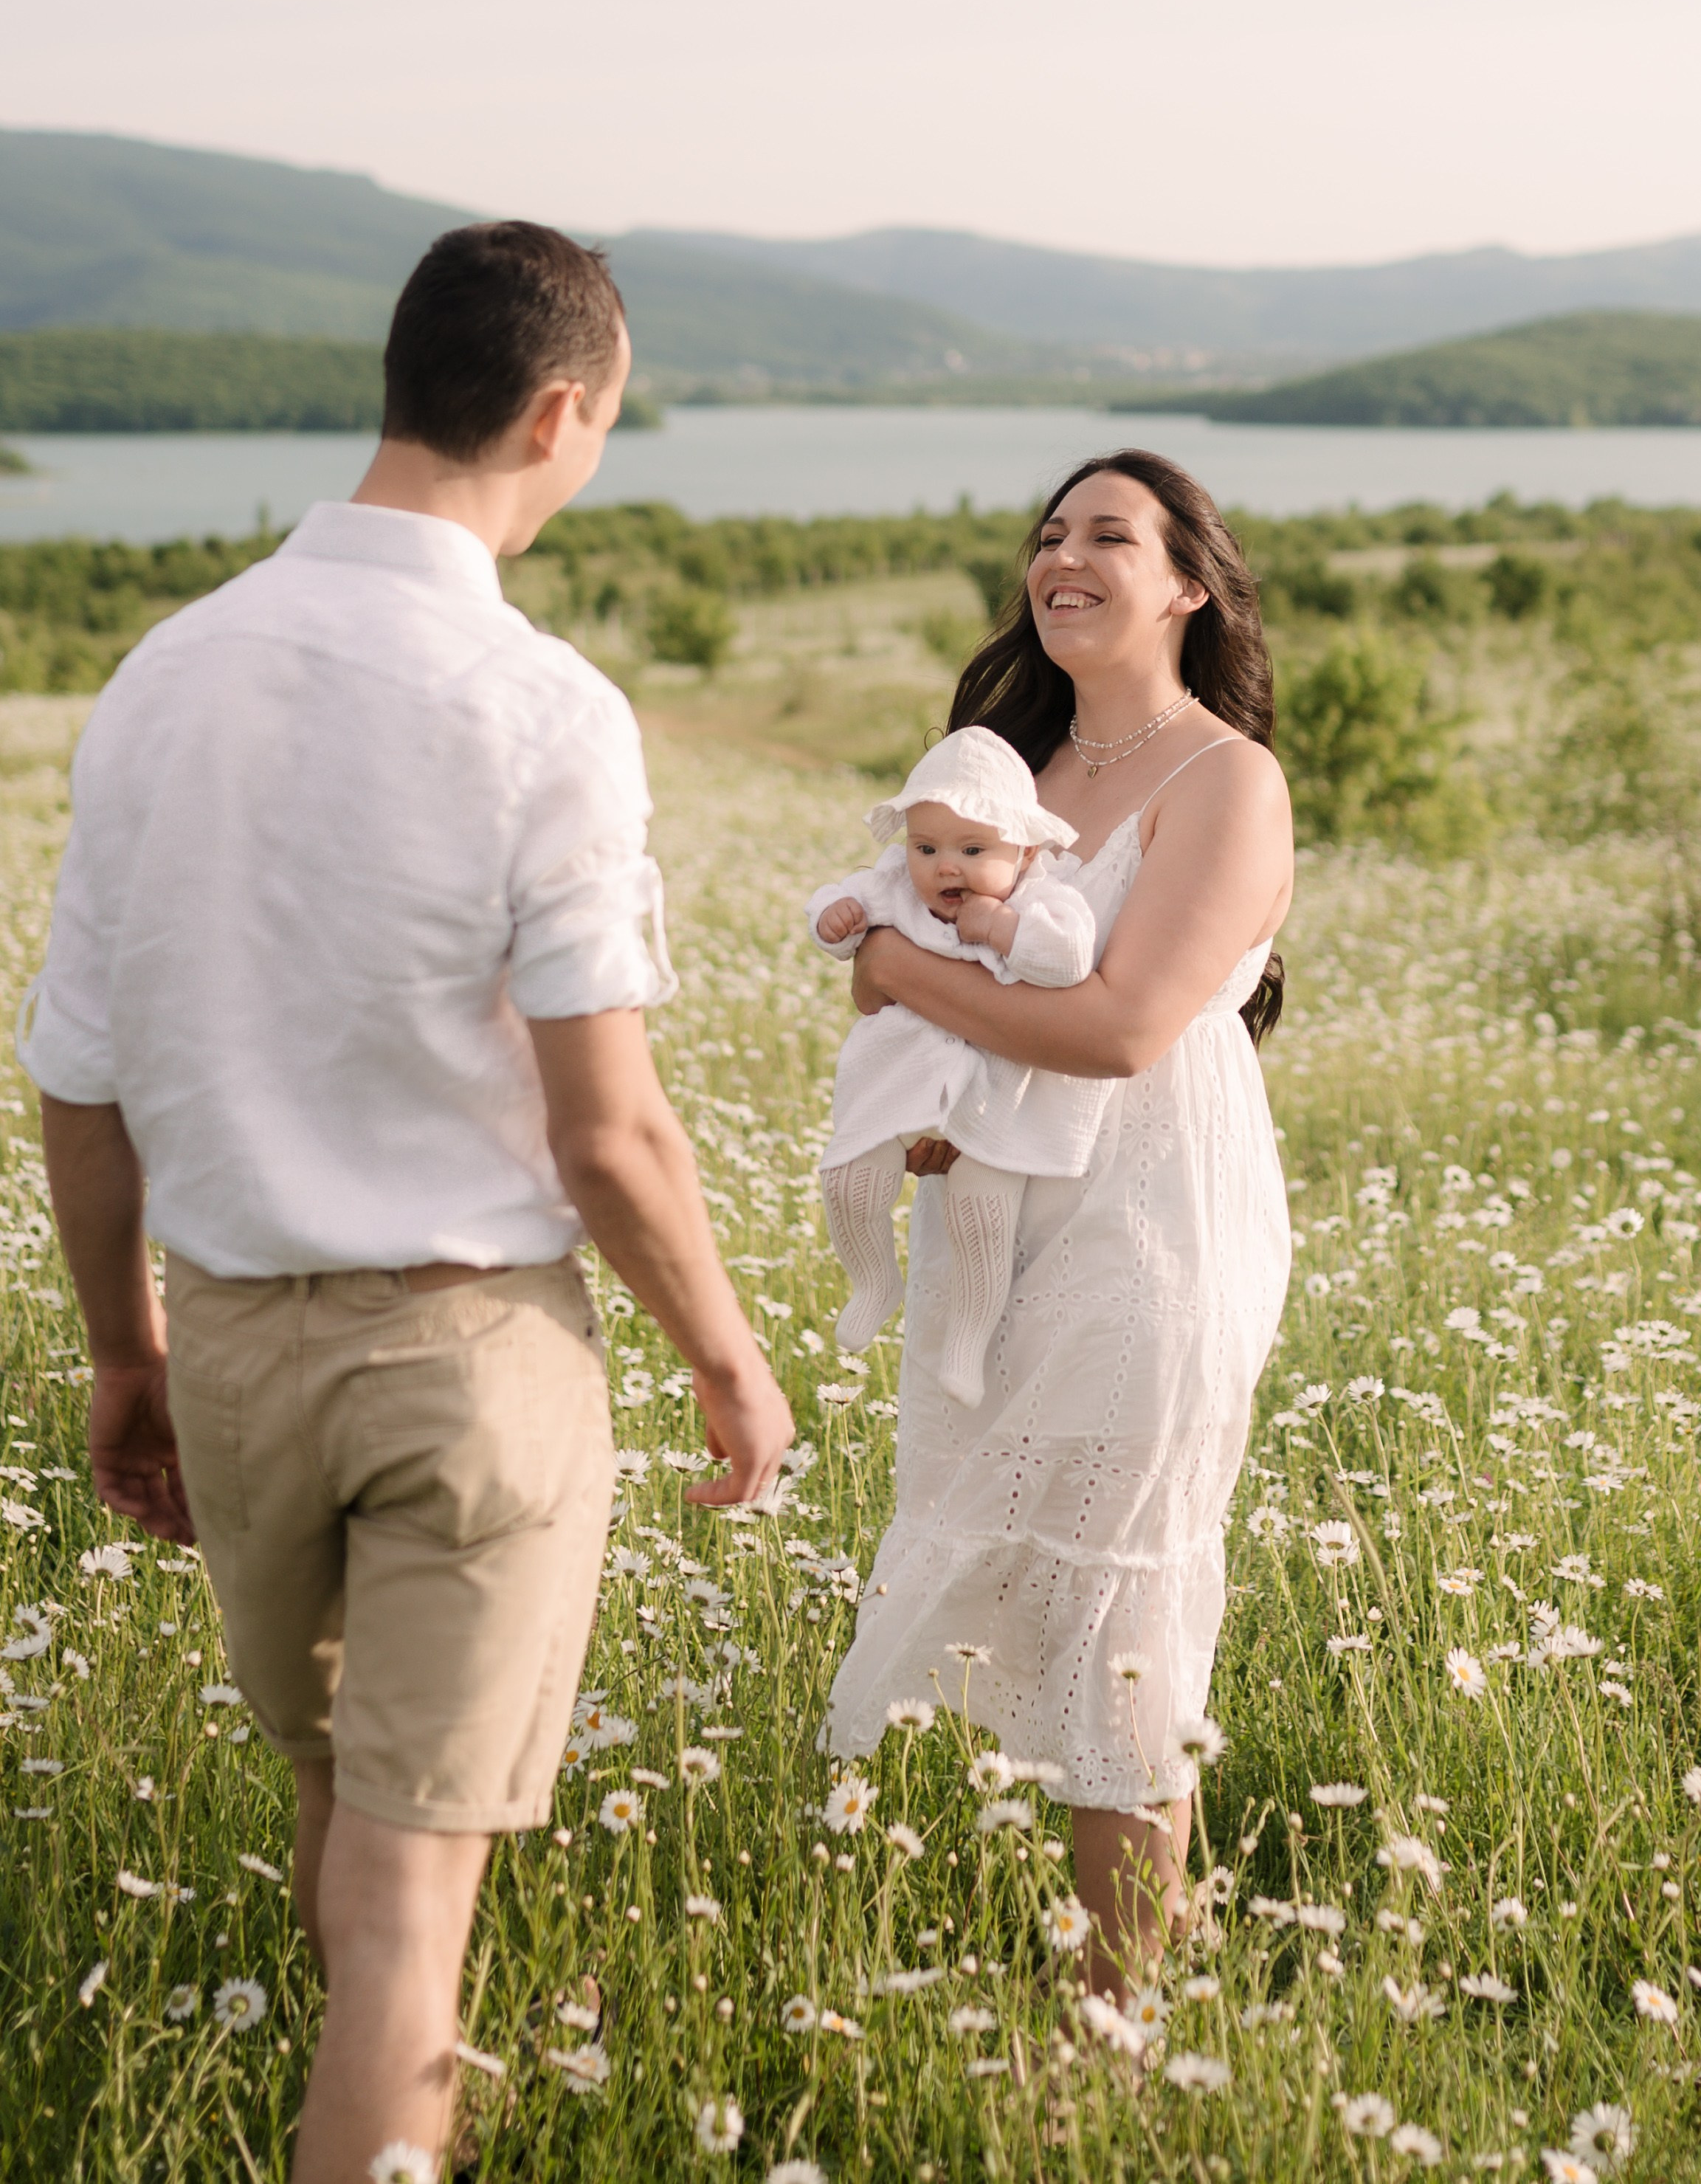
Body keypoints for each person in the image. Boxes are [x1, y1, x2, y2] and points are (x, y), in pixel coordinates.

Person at [19, 222, 793, 2183]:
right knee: (405, 1901)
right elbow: (609, 1130)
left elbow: (79, 1085)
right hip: (466, 1360)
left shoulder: (162, 678)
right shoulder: (542, 706)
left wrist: (130, 1354)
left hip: (241, 1350)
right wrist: (726, 1351)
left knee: (349, 1826)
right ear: (557, 411)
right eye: (604, 424)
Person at [822, 449, 1292, 1995]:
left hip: (1154, 1217)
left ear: (1190, 584)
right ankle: (1141, 1973)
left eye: (1109, 534)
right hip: (1006, 1223)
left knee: (1126, 1601)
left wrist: (897, 977)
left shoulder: (1224, 776)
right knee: (1057, 1601)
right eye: (1047, 533)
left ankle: (1123, 2021)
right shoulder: (1008, 762)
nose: (1063, 556)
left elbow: (1115, 1025)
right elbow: (910, 921)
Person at [807, 726, 1110, 1405]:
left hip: (997, 1094)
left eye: (972, 851)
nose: (946, 867)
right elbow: (841, 908)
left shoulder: (1042, 897)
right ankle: (872, 1280)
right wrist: (836, 917)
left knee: (981, 1215)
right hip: (902, 1080)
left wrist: (1000, 927)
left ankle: (968, 1342)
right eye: (927, 848)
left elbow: (1067, 959)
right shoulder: (896, 887)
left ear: (1024, 850)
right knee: (850, 1177)